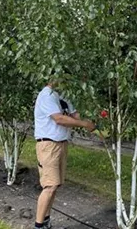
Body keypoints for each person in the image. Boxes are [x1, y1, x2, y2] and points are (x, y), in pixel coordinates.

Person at [33, 75, 95, 229]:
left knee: (56, 185)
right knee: (49, 186)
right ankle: (38, 226)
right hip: (48, 145)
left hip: (61, 144)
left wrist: (93, 119)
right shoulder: (46, 95)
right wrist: (84, 124)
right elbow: (59, 119)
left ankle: (46, 221)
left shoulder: (63, 96)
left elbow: (75, 115)